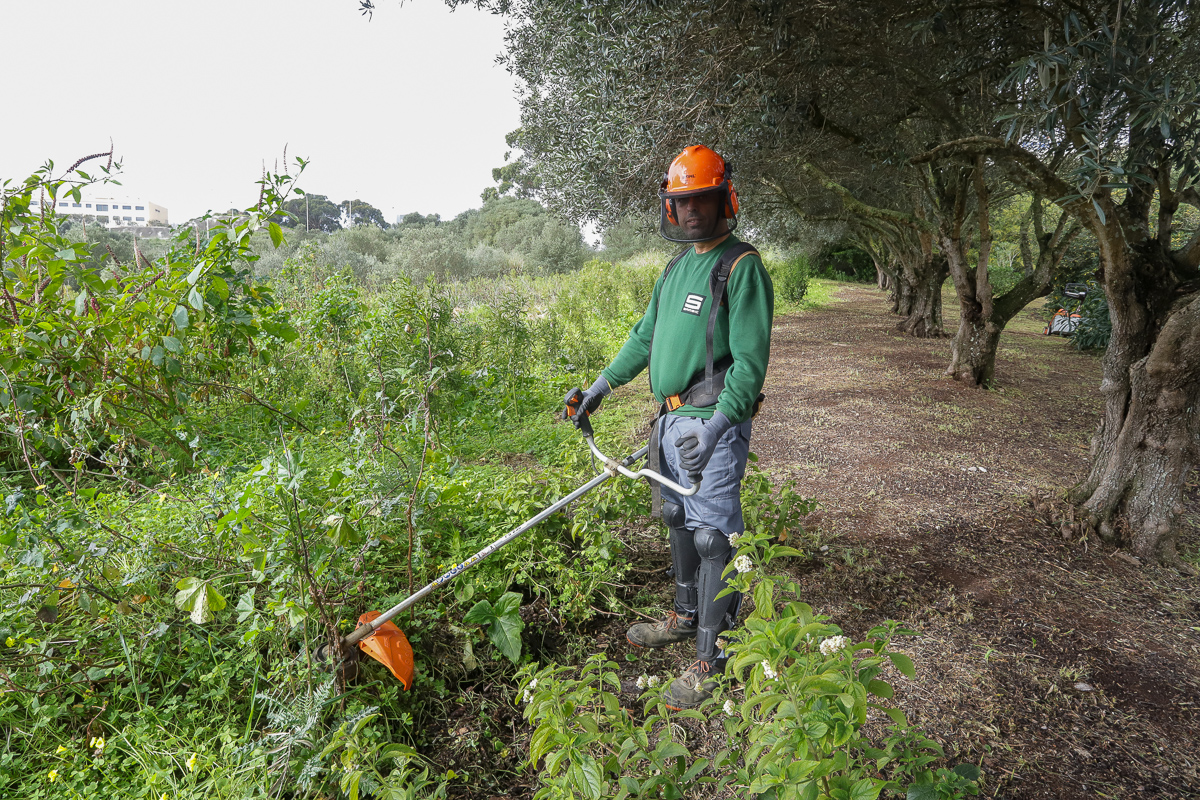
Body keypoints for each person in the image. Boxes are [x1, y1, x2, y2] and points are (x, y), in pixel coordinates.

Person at [570, 145, 774, 709]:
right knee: (677, 518)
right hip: (669, 418)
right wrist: (599, 388)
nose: (690, 212)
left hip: (712, 422)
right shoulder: (675, 267)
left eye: (701, 200)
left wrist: (718, 428)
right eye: (681, 202)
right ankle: (686, 617)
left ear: (723, 199)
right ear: (669, 206)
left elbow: (751, 365)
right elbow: (644, 336)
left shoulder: (741, 266)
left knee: (713, 535)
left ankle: (713, 659)